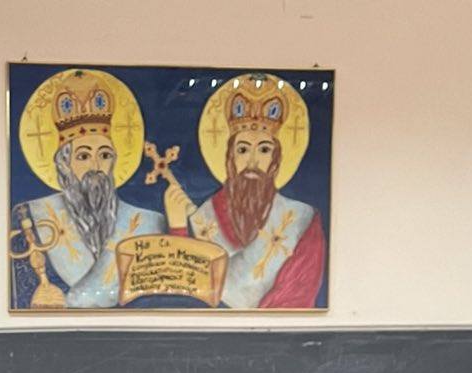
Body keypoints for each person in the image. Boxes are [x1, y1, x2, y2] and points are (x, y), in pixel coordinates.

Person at [162, 76, 325, 309]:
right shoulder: (204, 216)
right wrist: (177, 227)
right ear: (230, 158)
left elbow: (297, 297)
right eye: (242, 150)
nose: (252, 162)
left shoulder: (302, 220)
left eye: (264, 150)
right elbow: (185, 295)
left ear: (276, 161)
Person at [19, 71, 163, 309]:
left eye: (105, 155)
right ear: (64, 165)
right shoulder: (29, 218)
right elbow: (22, 292)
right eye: (83, 156)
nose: (96, 167)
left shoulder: (147, 224)